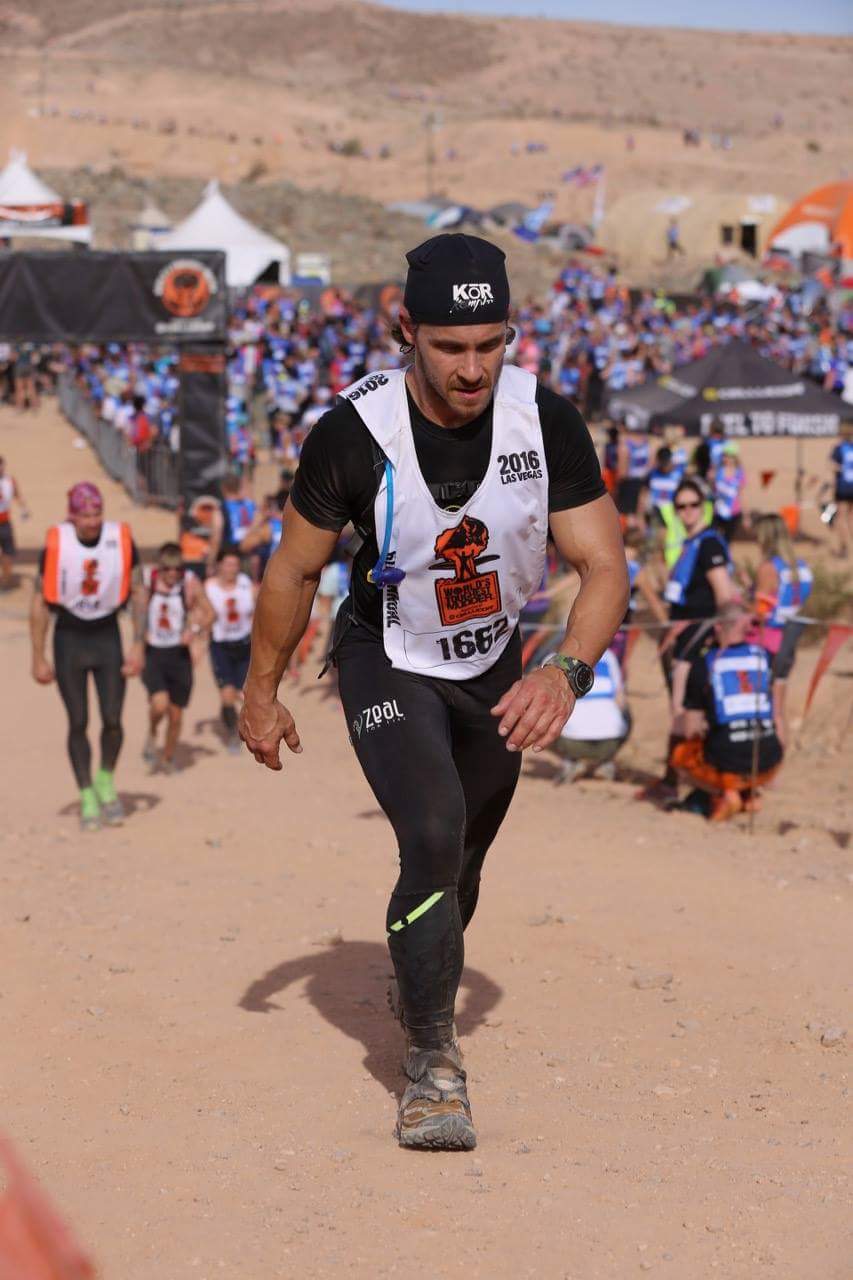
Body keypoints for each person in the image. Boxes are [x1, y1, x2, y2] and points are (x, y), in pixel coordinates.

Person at [237, 233, 627, 1152]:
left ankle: (421, 978)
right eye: (450, 346)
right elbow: (292, 572)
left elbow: (603, 565)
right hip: (389, 653)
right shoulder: (351, 435)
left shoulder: (547, 422)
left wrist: (564, 669)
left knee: (464, 865)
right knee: (431, 831)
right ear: (403, 329)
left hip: (494, 659)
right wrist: (262, 691)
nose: (471, 368)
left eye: (490, 344)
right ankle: (432, 1063)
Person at [29, 482, 145, 831]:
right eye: (85, 514)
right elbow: (39, 603)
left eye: (97, 513)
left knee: (112, 718)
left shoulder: (120, 538)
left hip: (106, 635)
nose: (92, 521)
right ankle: (86, 794)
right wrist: (38, 654)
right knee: (78, 720)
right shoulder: (56, 543)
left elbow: (139, 591)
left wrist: (139, 643)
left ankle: (106, 780)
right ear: (72, 514)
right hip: (69, 638)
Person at [649, 477, 734, 800]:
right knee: (682, 712)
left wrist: (722, 639)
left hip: (699, 641)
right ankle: (676, 781)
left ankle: (699, 786)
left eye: (693, 505)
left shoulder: (709, 544)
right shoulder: (688, 544)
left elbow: (724, 595)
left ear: (704, 507)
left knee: (688, 714)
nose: (687, 511)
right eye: (680, 506)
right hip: (683, 639)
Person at [671, 602, 783, 822]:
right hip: (770, 759)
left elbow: (690, 727)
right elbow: (778, 715)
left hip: (728, 759)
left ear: (718, 627)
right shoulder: (765, 657)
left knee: (681, 757)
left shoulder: (704, 664)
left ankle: (725, 793)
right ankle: (750, 793)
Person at [142, 542, 215, 772]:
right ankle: (153, 731)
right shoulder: (147, 581)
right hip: (154, 653)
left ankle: (168, 757)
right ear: (159, 567)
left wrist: (193, 631)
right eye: (167, 569)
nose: (172, 573)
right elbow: (134, 608)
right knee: (159, 703)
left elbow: (211, 613)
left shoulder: (190, 583)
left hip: (179, 655)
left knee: (175, 714)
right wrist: (139, 634)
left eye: (177, 569)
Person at [751, 514, 813, 746]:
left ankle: (766, 762)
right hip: (790, 641)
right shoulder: (802, 567)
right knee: (779, 709)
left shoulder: (769, 567)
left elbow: (760, 612)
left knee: (763, 709)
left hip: (768, 642)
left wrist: (743, 597)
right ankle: (776, 765)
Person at [549, 646, 630, 783]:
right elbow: (620, 698)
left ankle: (571, 761)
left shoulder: (556, 658)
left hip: (571, 742)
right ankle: (605, 763)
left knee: (543, 711)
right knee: (625, 712)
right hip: (611, 742)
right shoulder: (609, 656)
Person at [205, 546, 258, 752]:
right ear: (219, 565)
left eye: (235, 564)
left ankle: (249, 729)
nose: (232, 569)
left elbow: (259, 613)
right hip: (220, 646)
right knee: (227, 695)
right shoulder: (209, 588)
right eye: (228, 564)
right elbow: (200, 613)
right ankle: (233, 733)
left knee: (245, 695)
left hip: (245, 645)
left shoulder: (247, 586)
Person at [0, 456, 29, 590]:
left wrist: (23, 509)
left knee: (8, 552)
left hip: (5, 522)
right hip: (4, 522)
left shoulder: (9, 481)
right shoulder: (8, 481)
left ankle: (6, 579)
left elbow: (17, 495)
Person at [712, 442, 746, 541]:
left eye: (729, 456)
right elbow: (714, 492)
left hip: (733, 512)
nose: (726, 459)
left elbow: (740, 495)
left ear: (735, 458)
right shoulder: (718, 471)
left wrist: (745, 515)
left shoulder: (739, 473)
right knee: (714, 538)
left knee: (727, 541)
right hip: (718, 512)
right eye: (724, 456)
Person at [829, 425, 853, 558]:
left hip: (843, 487)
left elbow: (832, 465)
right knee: (851, 518)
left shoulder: (839, 448)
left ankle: (844, 548)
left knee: (840, 518)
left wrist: (840, 469)